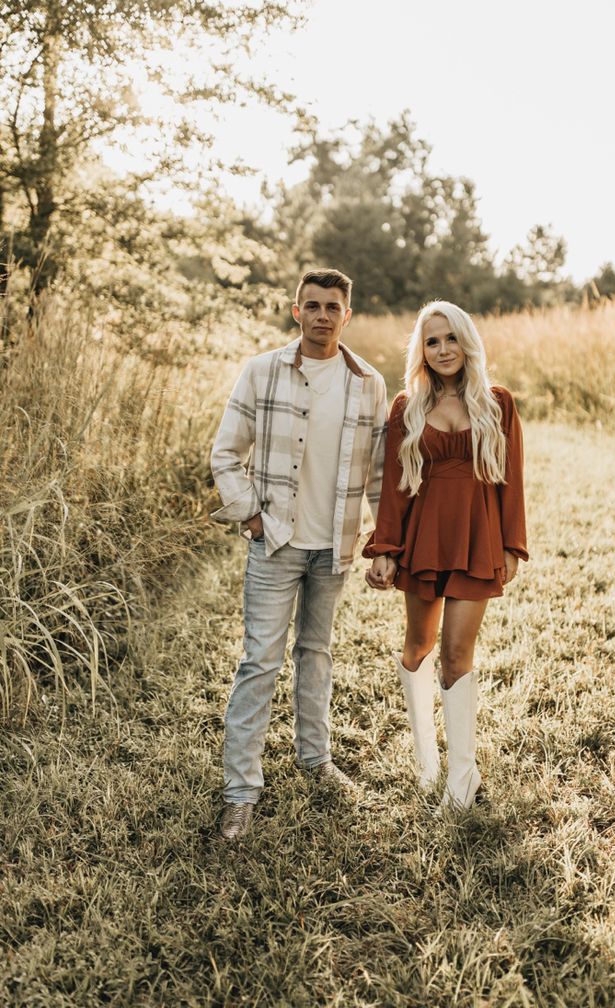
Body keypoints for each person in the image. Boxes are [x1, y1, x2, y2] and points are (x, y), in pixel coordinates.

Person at [211, 268, 387, 840]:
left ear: (347, 315)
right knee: (260, 661)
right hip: (277, 542)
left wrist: (382, 541)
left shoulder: (368, 383)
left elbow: (381, 474)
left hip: (333, 546)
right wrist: (253, 515)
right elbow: (225, 454)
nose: (321, 315)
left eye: (332, 307)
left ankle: (316, 760)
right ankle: (241, 792)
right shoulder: (262, 372)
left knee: (317, 654)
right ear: (295, 310)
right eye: (311, 305)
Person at [364, 300, 527, 811]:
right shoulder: (406, 407)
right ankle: (426, 762)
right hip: (423, 540)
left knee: (457, 655)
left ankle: (462, 781)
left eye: (450, 338)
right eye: (432, 341)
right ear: (422, 350)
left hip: (477, 539)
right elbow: (394, 487)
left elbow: (513, 480)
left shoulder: (497, 402)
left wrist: (510, 543)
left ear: (466, 342)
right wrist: (385, 548)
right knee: (418, 648)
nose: (442, 350)